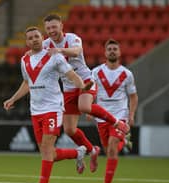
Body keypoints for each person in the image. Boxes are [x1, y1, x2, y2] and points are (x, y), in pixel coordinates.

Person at [3, 26, 93, 183]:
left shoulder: (54, 56)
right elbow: (27, 83)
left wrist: (83, 86)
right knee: (48, 153)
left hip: (53, 108)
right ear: (27, 42)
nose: (34, 40)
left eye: (36, 36)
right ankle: (78, 152)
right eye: (30, 38)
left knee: (46, 150)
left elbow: (71, 74)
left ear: (41, 38)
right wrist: (13, 98)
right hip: (35, 110)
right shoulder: (25, 60)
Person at [42, 14, 130, 173]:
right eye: (48, 28)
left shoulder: (73, 38)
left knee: (84, 106)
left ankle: (117, 122)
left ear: (61, 26)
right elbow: (36, 56)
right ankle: (92, 150)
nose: (51, 31)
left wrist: (59, 50)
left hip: (85, 80)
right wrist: (29, 54)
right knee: (69, 130)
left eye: (54, 27)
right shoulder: (45, 44)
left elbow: (76, 52)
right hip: (68, 88)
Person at [91, 39, 138, 183]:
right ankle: (123, 141)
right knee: (109, 150)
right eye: (109, 49)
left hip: (119, 116)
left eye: (115, 49)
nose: (112, 51)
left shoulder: (127, 74)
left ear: (119, 53)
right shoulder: (96, 72)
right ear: (105, 53)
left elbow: (133, 96)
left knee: (111, 147)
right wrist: (90, 107)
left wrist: (131, 115)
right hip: (102, 117)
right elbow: (91, 91)